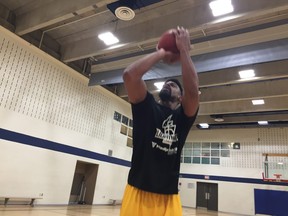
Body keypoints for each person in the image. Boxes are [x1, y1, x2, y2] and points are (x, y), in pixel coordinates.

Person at [120, 26, 199, 216]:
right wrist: (162, 52)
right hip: (137, 192)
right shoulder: (146, 107)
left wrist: (184, 52)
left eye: (174, 85)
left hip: (168, 199)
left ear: (180, 98)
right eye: (166, 83)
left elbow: (193, 92)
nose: (168, 84)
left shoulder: (183, 117)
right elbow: (130, 76)